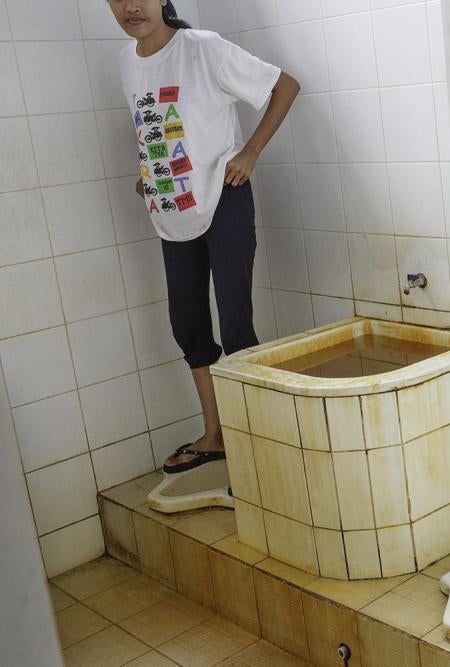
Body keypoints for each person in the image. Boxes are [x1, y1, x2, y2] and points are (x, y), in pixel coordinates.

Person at [109, 0, 300, 473]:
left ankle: (259, 446)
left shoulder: (201, 48)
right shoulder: (126, 62)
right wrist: (151, 173)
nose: (132, 6)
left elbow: (285, 85)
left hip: (224, 198)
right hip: (173, 209)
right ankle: (217, 436)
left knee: (237, 326)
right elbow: (166, 127)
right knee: (188, 326)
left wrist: (251, 153)